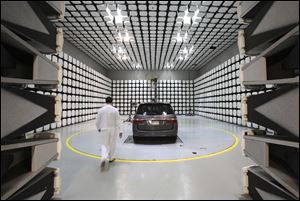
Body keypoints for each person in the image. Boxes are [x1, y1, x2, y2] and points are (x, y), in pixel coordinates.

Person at [96, 96, 122, 170]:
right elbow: (118, 121)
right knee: (112, 144)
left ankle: (103, 158)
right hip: (113, 129)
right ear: (112, 102)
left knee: (105, 144)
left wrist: (98, 128)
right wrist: (120, 131)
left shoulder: (101, 110)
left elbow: (97, 121)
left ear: (105, 101)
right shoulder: (115, 110)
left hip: (104, 129)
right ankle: (111, 158)